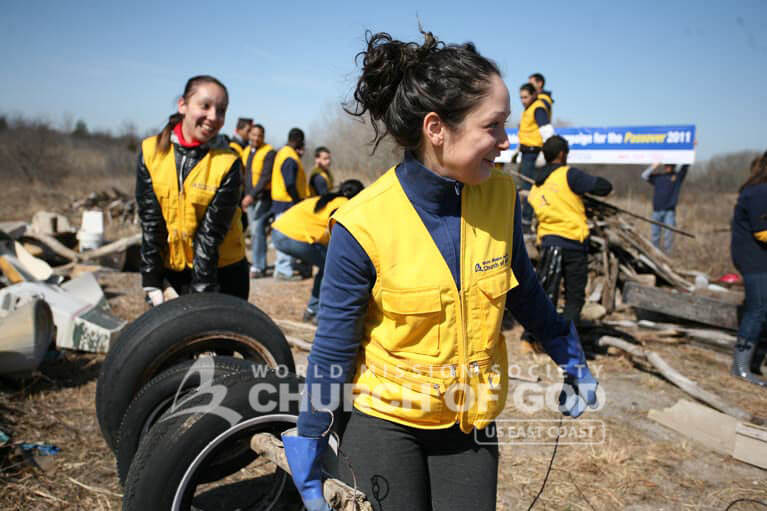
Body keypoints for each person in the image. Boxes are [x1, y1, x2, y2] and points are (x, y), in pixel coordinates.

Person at [282, 30, 599, 511]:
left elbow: (524, 292)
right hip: (384, 420)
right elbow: (335, 344)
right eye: (492, 126)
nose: (505, 142)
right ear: (436, 128)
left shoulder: (500, 196)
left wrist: (567, 351)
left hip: (468, 422)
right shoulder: (362, 222)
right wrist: (311, 431)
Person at [136, 75, 249, 305]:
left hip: (222, 273)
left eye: (221, 110)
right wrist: (151, 277)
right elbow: (151, 220)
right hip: (173, 271)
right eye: (205, 106)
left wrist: (200, 301)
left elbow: (210, 237)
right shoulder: (151, 152)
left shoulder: (228, 163)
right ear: (183, 105)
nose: (213, 117)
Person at [528, 135, 613, 324]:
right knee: (574, 299)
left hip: (549, 244)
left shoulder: (538, 182)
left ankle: (537, 337)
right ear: (561, 154)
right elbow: (604, 187)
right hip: (573, 244)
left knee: (546, 293)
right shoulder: (569, 175)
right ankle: (567, 340)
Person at [271, 179, 365, 323]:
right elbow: (339, 234)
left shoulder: (329, 199)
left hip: (278, 232)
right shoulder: (342, 204)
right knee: (332, 267)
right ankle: (321, 313)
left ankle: (313, 310)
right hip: (292, 236)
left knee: (327, 265)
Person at [730, 152, 767, 386]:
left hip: (759, 259)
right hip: (755, 260)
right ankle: (740, 366)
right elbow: (761, 231)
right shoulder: (760, 192)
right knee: (758, 308)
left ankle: (752, 361)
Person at [271, 127, 310, 280]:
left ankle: (284, 268)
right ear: (299, 140)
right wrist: (298, 202)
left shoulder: (284, 152)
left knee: (285, 237)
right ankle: (283, 270)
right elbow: (290, 184)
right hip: (287, 203)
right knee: (285, 237)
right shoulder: (289, 157)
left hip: (284, 202)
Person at [516, 83, 555, 232]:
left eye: (525, 97)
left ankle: (526, 223)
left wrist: (544, 153)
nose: (523, 100)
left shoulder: (538, 108)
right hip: (526, 152)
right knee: (525, 188)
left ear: (533, 95)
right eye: (521, 97)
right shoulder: (528, 109)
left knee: (529, 189)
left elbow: (547, 131)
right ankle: (525, 221)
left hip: (534, 153)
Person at [241, 123, 276, 278]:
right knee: (255, 232)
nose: (256, 138)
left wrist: (251, 196)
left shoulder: (269, 152)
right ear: (249, 135)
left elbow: (265, 177)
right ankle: (257, 264)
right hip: (249, 199)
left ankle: (259, 266)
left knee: (257, 231)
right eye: (253, 134)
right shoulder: (247, 151)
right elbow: (245, 175)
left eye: (259, 135)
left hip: (262, 198)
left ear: (263, 137)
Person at [641, 162, 689, 253]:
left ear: (674, 166)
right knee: (655, 235)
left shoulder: (677, 177)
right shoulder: (658, 177)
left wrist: (692, 149)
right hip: (656, 211)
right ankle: (655, 254)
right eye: (666, 165)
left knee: (669, 235)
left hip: (669, 212)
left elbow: (686, 165)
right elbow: (644, 175)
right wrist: (654, 165)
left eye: (670, 165)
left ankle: (668, 255)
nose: (668, 167)